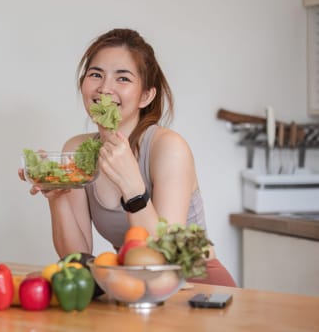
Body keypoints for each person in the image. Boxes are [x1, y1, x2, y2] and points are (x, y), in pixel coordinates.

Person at [19, 28, 236, 287]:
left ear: (146, 95)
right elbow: (76, 257)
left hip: (199, 288)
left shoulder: (168, 148)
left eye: (122, 78)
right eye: (96, 74)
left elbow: (166, 259)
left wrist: (133, 187)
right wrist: (57, 197)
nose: (105, 88)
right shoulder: (78, 151)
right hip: (136, 287)